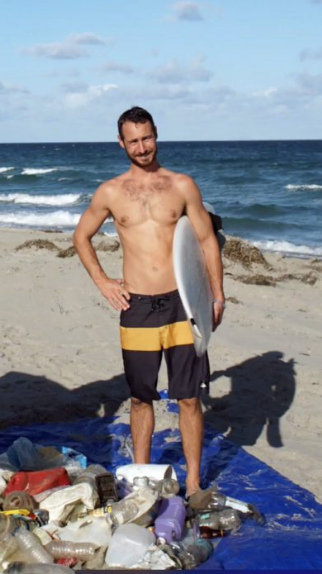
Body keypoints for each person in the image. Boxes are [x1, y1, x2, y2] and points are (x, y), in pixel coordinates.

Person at [73, 106, 224, 496]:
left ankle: (192, 482)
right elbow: (81, 237)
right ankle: (143, 476)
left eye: (148, 138)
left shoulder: (182, 185)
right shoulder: (110, 192)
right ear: (122, 143)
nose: (142, 147)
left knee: (188, 398)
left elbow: (206, 241)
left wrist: (216, 294)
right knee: (141, 398)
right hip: (136, 306)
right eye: (134, 140)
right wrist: (104, 281)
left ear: (157, 135)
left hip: (182, 303)